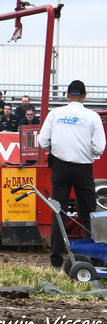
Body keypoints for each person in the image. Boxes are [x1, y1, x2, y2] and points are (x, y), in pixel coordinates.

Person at [38, 80, 106, 269]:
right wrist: (87, 151)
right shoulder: (92, 116)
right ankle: (97, 260)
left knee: (58, 212)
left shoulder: (55, 113)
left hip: (60, 166)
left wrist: (57, 148)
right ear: (84, 95)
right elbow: (99, 147)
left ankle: (56, 261)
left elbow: (43, 141)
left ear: (67, 95)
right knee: (89, 214)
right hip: (83, 168)